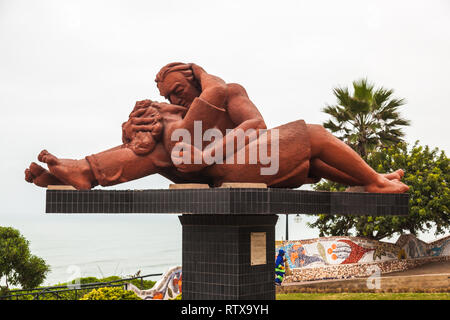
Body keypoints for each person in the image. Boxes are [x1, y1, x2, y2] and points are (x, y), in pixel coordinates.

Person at [25, 62, 408, 193]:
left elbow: (256, 125)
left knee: (310, 142)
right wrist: (134, 124)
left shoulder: (225, 93)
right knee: (312, 136)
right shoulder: (176, 116)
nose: (176, 99)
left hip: (239, 160)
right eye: (168, 94)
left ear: (195, 79)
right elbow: (142, 146)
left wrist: (207, 152)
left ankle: (371, 179)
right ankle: (81, 173)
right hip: (219, 170)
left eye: (180, 90)